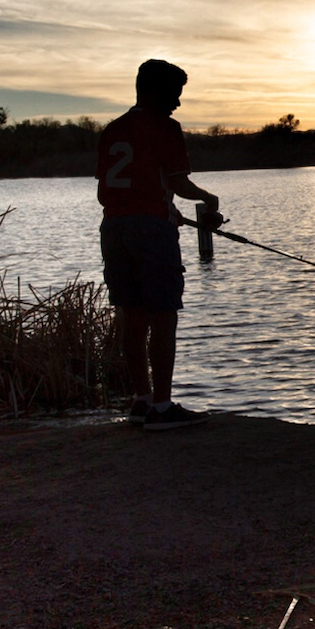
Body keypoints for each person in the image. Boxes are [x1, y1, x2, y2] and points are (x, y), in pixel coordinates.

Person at [96, 59, 225, 431]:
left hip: (113, 228)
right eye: (175, 94)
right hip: (152, 233)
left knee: (131, 316)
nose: (178, 104)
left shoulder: (111, 130)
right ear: (154, 91)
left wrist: (155, 208)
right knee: (164, 315)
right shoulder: (166, 129)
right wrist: (210, 200)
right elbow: (180, 184)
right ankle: (164, 407)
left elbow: (112, 186)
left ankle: (142, 401)